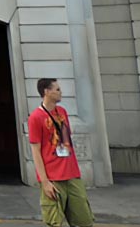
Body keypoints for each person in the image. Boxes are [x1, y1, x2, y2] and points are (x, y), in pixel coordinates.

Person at [28, 79, 94, 227]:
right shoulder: (35, 118)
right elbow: (36, 151)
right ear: (46, 92)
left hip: (71, 174)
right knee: (55, 222)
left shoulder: (62, 112)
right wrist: (45, 182)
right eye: (57, 89)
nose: (60, 92)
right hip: (53, 177)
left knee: (83, 219)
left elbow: (66, 140)